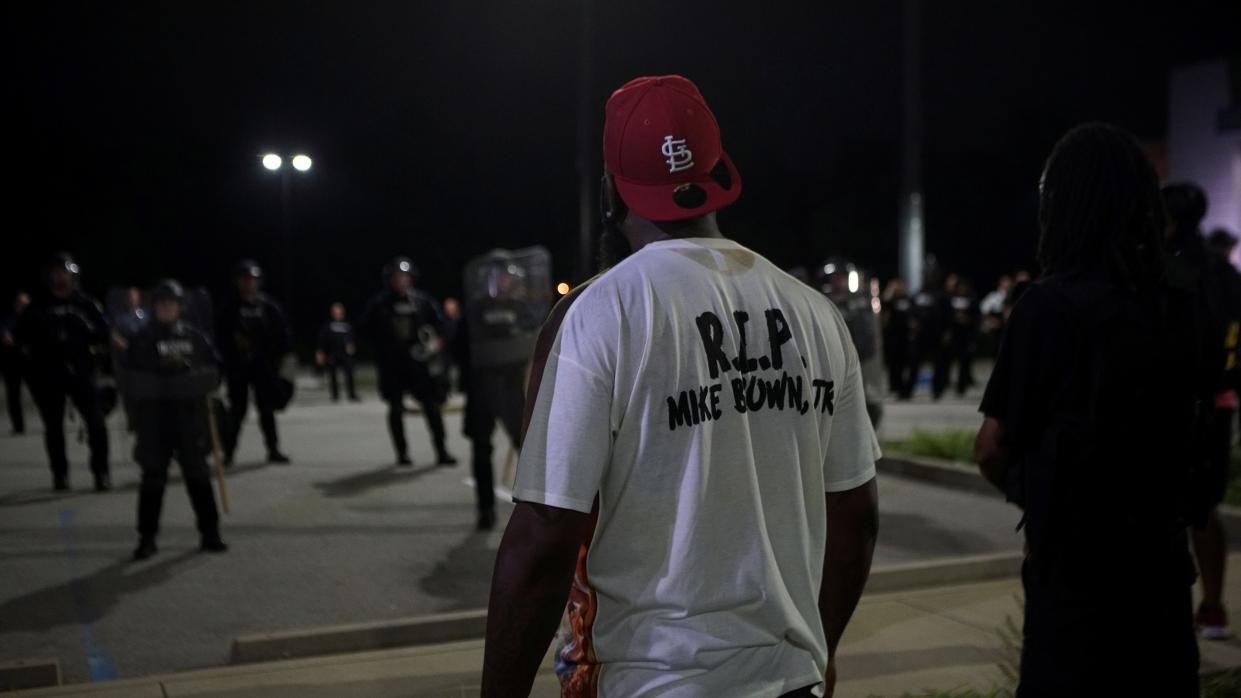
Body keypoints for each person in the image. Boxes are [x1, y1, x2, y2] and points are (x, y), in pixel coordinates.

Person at [482, 75, 880, 698]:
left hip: (654, 680)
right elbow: (856, 519)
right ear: (718, 171)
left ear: (613, 190)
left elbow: (544, 536)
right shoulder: (815, 315)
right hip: (789, 679)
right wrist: (819, 650)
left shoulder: (601, 313)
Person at [975, 123, 1202, 696]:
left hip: (1074, 577)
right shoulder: (1179, 305)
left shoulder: (1045, 307)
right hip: (1163, 568)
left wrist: (1039, 491)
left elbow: (993, 447)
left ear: (1061, 205)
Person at [1164, 185, 1241, 641]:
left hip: (1174, 402)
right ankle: (1212, 606)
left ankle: (1169, 611)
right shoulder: (1227, 275)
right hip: (1221, 401)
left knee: (1163, 504)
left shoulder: (1164, 267)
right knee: (1204, 508)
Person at [124, 280, 227, 560]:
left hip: (189, 419)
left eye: (172, 303)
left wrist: (192, 377)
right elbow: (132, 381)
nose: (166, 308)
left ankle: (210, 532)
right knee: (153, 479)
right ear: (154, 306)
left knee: (198, 476)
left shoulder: (195, 337)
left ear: (180, 307)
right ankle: (147, 537)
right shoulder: (142, 339)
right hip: (155, 422)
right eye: (161, 303)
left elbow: (214, 371)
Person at [458, 249, 552, 531]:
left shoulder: (522, 309)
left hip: (512, 389)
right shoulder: (475, 310)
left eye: (508, 278)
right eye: (499, 278)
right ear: (489, 280)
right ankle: (485, 509)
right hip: (481, 389)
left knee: (528, 447)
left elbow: (536, 340)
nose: (505, 283)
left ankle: (537, 508)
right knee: (481, 448)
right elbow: (457, 347)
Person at [16, 253, 112, 491]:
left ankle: (101, 472)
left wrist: (93, 350)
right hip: (49, 375)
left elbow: (103, 335)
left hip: (82, 373)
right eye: (56, 273)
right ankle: (60, 474)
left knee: (97, 424)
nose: (60, 277)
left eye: (64, 272)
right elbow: (22, 339)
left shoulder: (86, 304)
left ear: (73, 275)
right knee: (54, 428)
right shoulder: (38, 306)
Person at [361, 257, 457, 466]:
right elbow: (366, 331)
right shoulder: (379, 304)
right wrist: (382, 349)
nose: (401, 281)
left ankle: (442, 451)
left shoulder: (422, 301)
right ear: (390, 279)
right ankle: (402, 454)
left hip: (419, 364)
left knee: (432, 406)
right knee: (395, 409)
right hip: (392, 365)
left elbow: (441, 326)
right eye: (397, 277)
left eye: (405, 277)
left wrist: (437, 342)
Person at [217, 259, 292, 465]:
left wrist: (276, 360)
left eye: (253, 280)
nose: (249, 283)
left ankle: (273, 449)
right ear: (238, 282)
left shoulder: (268, 306)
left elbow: (284, 336)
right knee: (237, 411)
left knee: (267, 410)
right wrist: (228, 359)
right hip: (238, 368)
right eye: (245, 280)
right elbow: (220, 338)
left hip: (263, 368)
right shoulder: (230, 307)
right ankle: (229, 453)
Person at [316, 302, 358, 402]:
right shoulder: (328, 326)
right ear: (332, 313)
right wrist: (320, 353)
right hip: (332, 354)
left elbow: (352, 338)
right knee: (332, 375)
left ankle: (352, 395)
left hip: (345, 354)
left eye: (339, 311)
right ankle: (335, 396)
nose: (337, 313)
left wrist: (352, 345)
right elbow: (322, 340)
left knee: (350, 373)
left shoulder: (347, 325)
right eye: (335, 311)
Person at [2, 291, 31, 434]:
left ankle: (51, 422)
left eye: (26, 304)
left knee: (44, 392)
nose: (24, 307)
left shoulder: (35, 319)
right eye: (21, 304)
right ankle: (18, 426)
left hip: (31, 361)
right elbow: (6, 337)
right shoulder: (8, 319)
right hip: (12, 361)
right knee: (13, 395)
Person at [947, 278, 980, 396]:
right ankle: (946, 383)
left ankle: (962, 385)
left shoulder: (972, 299)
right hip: (954, 334)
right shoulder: (951, 298)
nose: (962, 289)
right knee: (949, 360)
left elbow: (977, 317)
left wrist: (967, 319)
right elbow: (946, 314)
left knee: (965, 361)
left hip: (967, 335)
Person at [882, 277, 913, 399]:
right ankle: (895, 386)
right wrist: (890, 291)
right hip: (893, 336)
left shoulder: (907, 299)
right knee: (893, 363)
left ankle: (902, 387)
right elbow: (883, 305)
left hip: (905, 336)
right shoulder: (891, 300)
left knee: (904, 363)